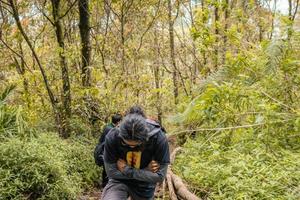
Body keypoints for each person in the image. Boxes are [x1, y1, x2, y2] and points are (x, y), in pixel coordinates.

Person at [101, 114, 170, 200]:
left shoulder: (158, 138)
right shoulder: (113, 137)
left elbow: (160, 177)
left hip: (145, 185)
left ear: (145, 138)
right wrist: (146, 171)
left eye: (136, 145)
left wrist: (126, 170)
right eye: (126, 144)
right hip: (118, 182)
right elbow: (111, 173)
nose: (131, 148)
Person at [94, 113, 122, 188]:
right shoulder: (111, 129)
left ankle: (105, 185)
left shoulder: (108, 127)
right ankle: (105, 185)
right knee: (107, 169)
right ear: (118, 122)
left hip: (103, 150)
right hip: (104, 151)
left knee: (105, 169)